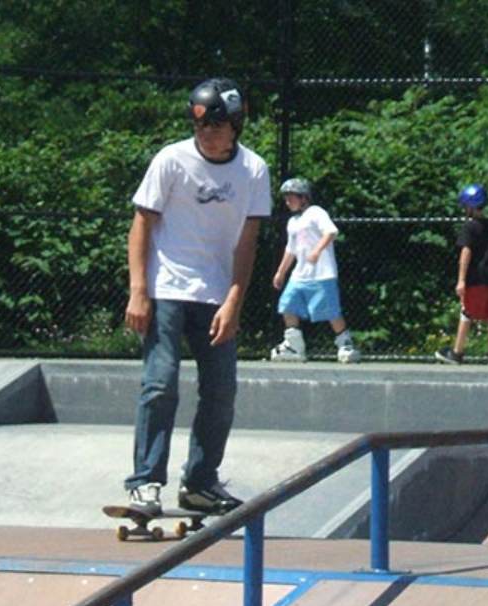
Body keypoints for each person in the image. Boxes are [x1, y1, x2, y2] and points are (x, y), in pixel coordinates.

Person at [122, 78, 271, 516]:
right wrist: (138, 291)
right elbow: (142, 224)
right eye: (200, 125)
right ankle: (146, 482)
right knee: (160, 383)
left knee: (221, 391)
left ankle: (200, 483)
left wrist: (234, 302)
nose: (206, 133)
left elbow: (248, 242)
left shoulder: (254, 170)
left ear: (236, 126)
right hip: (166, 289)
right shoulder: (171, 159)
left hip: (216, 294)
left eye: (216, 126)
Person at [269, 177, 360, 364]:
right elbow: (290, 249)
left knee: (330, 311)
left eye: (291, 197)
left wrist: (317, 251)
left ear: (303, 197)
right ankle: (294, 346)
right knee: (287, 305)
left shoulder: (316, 213)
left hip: (322, 274)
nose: (287, 202)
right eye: (286, 198)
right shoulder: (293, 222)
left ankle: (346, 344)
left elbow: (331, 232)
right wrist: (281, 272)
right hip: (299, 275)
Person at [435, 184, 488, 365]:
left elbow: (465, 253)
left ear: (471, 206)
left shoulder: (469, 227)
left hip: (476, 279)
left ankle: (457, 353)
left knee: (466, 313)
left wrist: (461, 280)